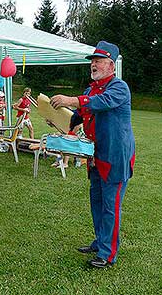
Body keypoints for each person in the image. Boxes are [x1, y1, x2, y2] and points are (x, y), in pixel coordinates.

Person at [50, 41, 135, 268]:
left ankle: (108, 254)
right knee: (97, 202)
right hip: (94, 156)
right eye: (93, 61)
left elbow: (101, 103)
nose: (94, 64)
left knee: (110, 205)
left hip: (115, 157)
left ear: (111, 65)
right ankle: (100, 242)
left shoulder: (119, 87)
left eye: (98, 61)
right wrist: (56, 117)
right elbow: (77, 117)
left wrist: (71, 99)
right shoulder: (90, 90)